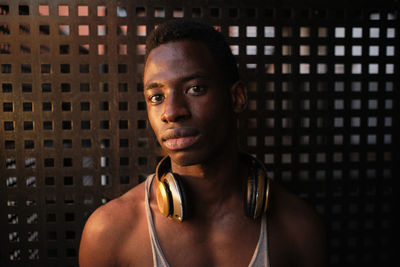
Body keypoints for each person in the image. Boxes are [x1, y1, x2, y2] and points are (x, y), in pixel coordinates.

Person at [79, 19, 327, 267]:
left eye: (195, 88)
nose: (171, 112)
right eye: (156, 96)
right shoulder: (109, 233)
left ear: (237, 98)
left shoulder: (298, 229)